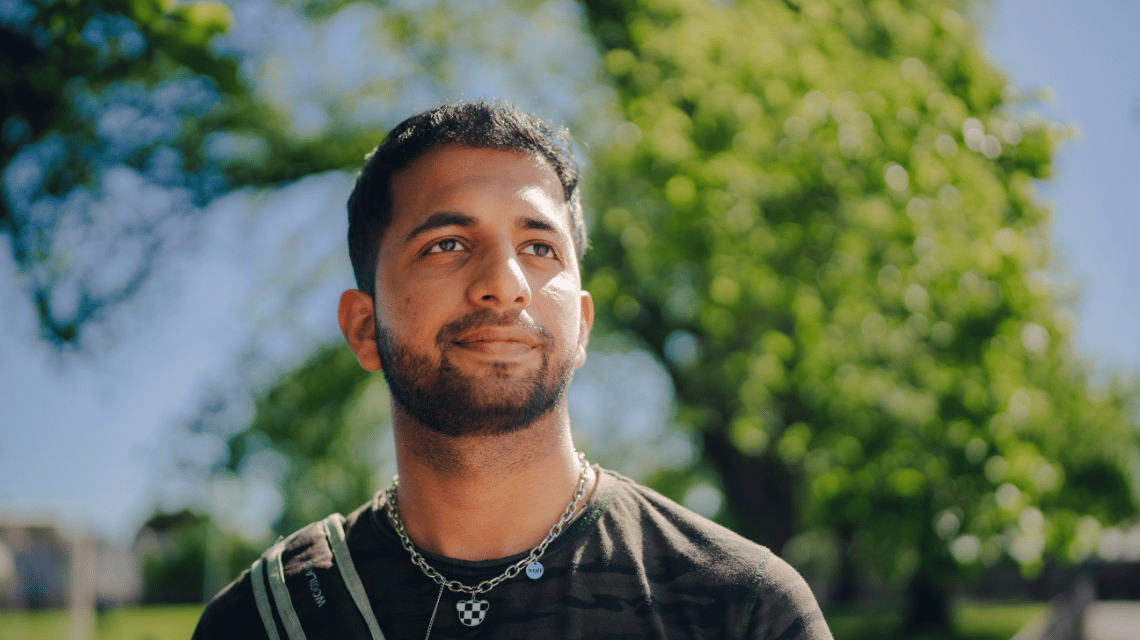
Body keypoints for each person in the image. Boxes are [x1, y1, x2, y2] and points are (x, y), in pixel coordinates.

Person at [192, 100, 832, 639]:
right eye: (447, 245)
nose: (504, 284)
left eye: (539, 247)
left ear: (581, 326)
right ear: (365, 328)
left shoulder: (742, 609)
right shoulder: (266, 620)